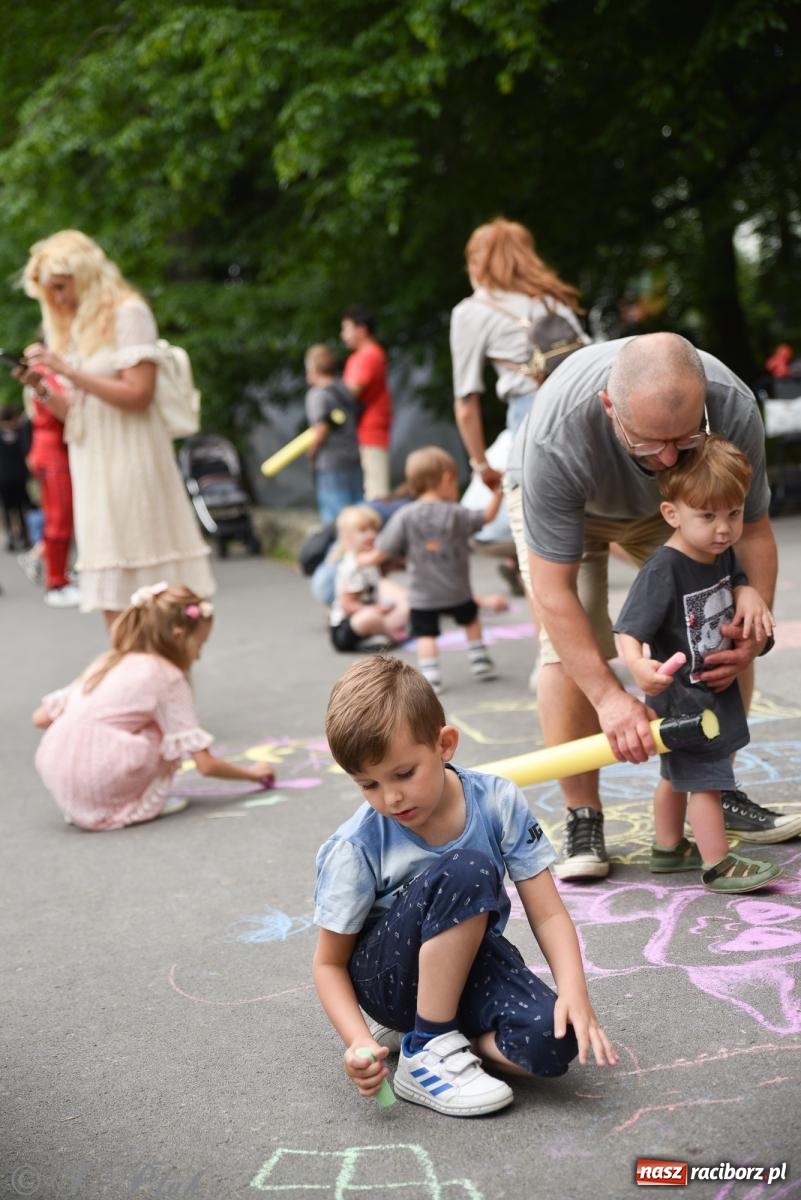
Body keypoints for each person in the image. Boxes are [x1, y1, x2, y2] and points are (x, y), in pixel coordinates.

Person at [515, 331, 799, 881]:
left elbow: (756, 531)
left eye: (685, 437)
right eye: (648, 442)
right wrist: (609, 697)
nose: (667, 455)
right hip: (574, 511)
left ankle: (715, 784)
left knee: (721, 628)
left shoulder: (732, 403)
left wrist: (753, 628)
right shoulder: (558, 436)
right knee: (569, 653)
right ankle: (583, 817)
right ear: (609, 408)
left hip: (686, 509)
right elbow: (554, 591)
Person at [313, 655, 617, 1117]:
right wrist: (356, 1040)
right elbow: (329, 964)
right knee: (468, 868)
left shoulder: (495, 800)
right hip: (387, 980)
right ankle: (425, 1048)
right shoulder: (357, 846)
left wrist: (575, 990)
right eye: (368, 784)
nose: (390, 798)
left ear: (445, 744)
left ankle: (446, 1037)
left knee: (557, 1038)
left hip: (469, 963)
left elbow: (548, 911)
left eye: (403, 774)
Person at [18, 230, 215, 628]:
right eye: (49, 291)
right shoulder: (75, 326)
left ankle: (167, 683)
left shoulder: (129, 312)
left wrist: (67, 369)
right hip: (92, 461)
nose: (57, 298)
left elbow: (139, 393)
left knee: (156, 590)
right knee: (113, 592)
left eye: (60, 286)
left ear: (84, 274)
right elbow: (77, 412)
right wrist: (41, 385)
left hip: (132, 456)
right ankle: (128, 685)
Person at [613, 437, 782, 894]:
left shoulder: (717, 551)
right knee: (706, 778)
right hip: (683, 696)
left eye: (733, 512)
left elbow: (737, 578)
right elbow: (629, 629)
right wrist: (636, 667)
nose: (724, 528)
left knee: (677, 775)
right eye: (707, 516)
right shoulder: (664, 569)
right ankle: (718, 863)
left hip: (708, 690)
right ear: (673, 514)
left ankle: (668, 848)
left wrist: (747, 592)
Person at [32, 582, 274, 831]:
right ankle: (120, 802)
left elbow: (41, 718)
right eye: (199, 646)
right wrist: (253, 774)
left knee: (130, 724)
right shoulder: (168, 676)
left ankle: (90, 802)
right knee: (168, 732)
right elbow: (205, 764)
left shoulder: (109, 660)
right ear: (179, 636)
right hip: (102, 776)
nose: (198, 656)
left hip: (58, 776)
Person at [450, 217, 585, 489]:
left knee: (538, 520)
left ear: (477, 262)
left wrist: (481, 466)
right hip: (584, 411)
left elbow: (466, 406)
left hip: (531, 417)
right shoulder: (552, 300)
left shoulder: (471, 311)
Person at [363, 446, 502, 694]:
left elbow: (384, 550)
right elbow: (488, 517)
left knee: (426, 634)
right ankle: (479, 657)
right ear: (447, 479)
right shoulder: (457, 513)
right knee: (470, 619)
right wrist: (499, 492)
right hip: (458, 591)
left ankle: (431, 675)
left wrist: (363, 560)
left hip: (423, 596)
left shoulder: (405, 515)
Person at [328, 506, 409, 652]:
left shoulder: (369, 562)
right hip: (346, 630)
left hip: (370, 613)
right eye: (363, 531)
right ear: (347, 537)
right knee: (370, 617)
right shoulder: (351, 567)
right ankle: (382, 635)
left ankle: (383, 633)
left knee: (403, 604)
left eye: (374, 530)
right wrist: (375, 608)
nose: (371, 535)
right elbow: (348, 605)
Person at [303, 344, 363, 523]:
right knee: (358, 516)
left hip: (331, 464)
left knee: (335, 521)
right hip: (353, 457)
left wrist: (312, 451)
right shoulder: (344, 389)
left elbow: (320, 429)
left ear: (313, 368)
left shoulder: (317, 395)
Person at [340, 306, 392, 500]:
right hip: (361, 431)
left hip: (371, 431)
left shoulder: (369, 354)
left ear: (361, 329)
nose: (343, 335)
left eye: (346, 328)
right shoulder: (359, 356)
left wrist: (327, 391)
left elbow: (351, 392)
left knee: (376, 493)